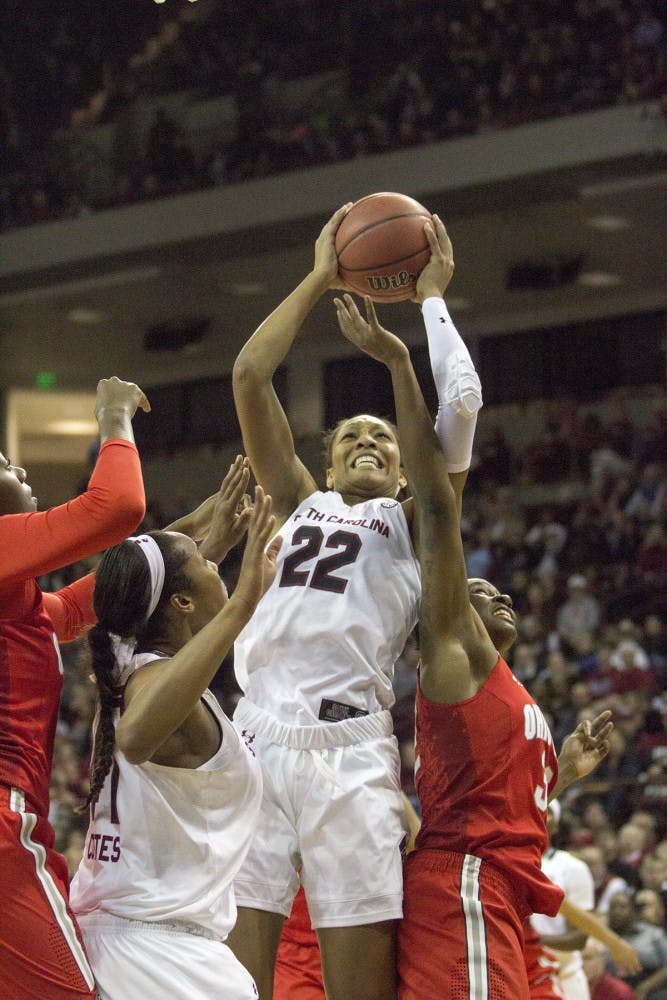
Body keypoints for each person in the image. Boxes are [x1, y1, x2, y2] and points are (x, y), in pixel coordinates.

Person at [228, 207, 482, 999]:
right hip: (258, 736)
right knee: (236, 983)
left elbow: (462, 408)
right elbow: (247, 375)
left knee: (360, 989)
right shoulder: (297, 499)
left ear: (407, 470)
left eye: (383, 438)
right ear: (326, 462)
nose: (369, 442)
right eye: (349, 437)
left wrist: (409, 339)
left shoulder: (414, 521)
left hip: (351, 749)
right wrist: (319, 275)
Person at [332, 291, 614, 1000]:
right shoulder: (453, 654)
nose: (499, 595)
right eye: (478, 592)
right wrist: (399, 362)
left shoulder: (503, 690)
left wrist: (563, 772)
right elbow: (434, 503)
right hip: (464, 882)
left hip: (493, 890)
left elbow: (489, 805)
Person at [69, 462, 279, 999]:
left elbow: (139, 586)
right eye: (205, 566)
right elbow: (136, 737)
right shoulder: (154, 688)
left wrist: (207, 544)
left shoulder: (124, 661)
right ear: (182, 603)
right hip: (159, 961)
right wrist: (240, 606)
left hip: (114, 943)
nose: (215, 565)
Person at [0, 376, 149, 999]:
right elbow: (117, 506)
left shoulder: (14, 596)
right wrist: (113, 418)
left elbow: (67, 612)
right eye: (2, 461)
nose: (18, 465)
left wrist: (190, 543)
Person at [530, 799, 596, 999]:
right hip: (523, 972)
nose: (541, 814)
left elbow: (579, 937)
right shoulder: (505, 862)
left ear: (556, 824)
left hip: (564, 976)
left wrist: (529, 940)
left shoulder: (573, 867)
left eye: (547, 811)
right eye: (535, 808)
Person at [606, 890, 667, 999]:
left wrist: (645, 987)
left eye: (623, 907)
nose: (617, 911)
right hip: (614, 989)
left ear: (632, 910)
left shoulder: (652, 934)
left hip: (652, 988)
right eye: (613, 907)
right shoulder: (601, 937)